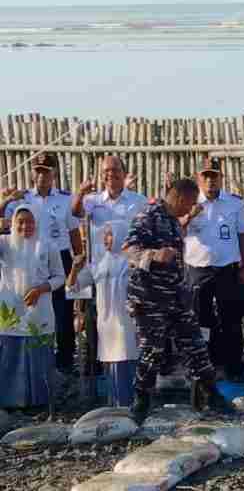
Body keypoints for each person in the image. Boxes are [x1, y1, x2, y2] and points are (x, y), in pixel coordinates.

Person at [123, 179, 234, 424]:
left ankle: (212, 395)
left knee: (195, 345)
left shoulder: (174, 220)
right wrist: (153, 255)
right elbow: (129, 250)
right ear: (181, 198)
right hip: (149, 299)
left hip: (175, 297)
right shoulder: (149, 215)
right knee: (153, 351)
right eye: (191, 203)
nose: (192, 209)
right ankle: (141, 401)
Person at [1, 153, 81, 373]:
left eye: (46, 171)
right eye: (38, 170)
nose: (41, 175)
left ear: (54, 173)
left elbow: (74, 232)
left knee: (63, 313)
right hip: (26, 259)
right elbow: (4, 222)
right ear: (32, 172)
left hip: (60, 258)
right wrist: (6, 199)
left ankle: (64, 363)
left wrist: (78, 261)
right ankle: (28, 362)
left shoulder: (65, 199)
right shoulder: (21, 199)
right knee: (27, 309)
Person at [184, 158, 244, 382]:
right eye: (205, 176)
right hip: (198, 270)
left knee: (230, 318)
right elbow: (175, 230)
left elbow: (243, 235)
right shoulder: (188, 202)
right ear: (198, 178)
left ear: (221, 177)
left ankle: (234, 365)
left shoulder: (235, 203)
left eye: (214, 175)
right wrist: (188, 215)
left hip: (227, 270)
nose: (210, 180)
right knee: (201, 320)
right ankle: (206, 364)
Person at [0, 205, 64, 408]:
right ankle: (11, 402)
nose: (25, 226)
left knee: (39, 357)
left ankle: (39, 403)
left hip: (40, 309)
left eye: (30, 221)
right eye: (20, 221)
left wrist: (41, 289)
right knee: (10, 355)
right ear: (13, 223)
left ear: (36, 223)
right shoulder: (4, 243)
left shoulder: (47, 245)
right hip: (11, 310)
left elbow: (60, 277)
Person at [67, 221, 137, 406]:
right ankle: (115, 406)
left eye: (110, 234)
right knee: (110, 364)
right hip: (106, 325)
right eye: (105, 234)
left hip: (128, 322)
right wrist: (75, 268)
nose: (106, 239)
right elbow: (72, 289)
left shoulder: (131, 262)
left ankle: (130, 406)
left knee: (126, 360)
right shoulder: (97, 264)